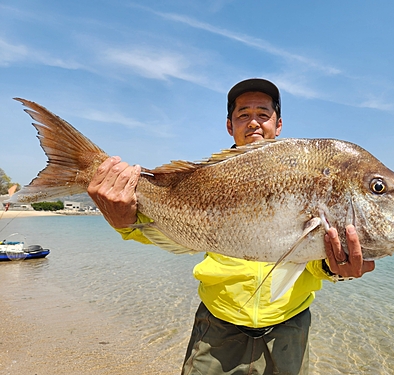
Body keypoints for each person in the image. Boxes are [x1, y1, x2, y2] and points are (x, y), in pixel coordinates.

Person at [88, 78, 375, 375]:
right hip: (217, 326)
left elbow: (309, 257)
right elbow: (173, 228)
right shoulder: (210, 175)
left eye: (263, 114)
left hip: (288, 328)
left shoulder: (304, 174)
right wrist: (126, 224)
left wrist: (333, 267)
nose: (253, 122)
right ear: (230, 126)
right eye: (243, 114)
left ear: (278, 125)